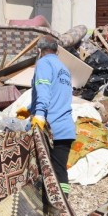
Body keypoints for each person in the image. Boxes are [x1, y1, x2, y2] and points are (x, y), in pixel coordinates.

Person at [16, 36, 75, 194]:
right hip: (66, 127)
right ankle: (64, 207)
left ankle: (42, 207)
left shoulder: (43, 63)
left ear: (39, 51)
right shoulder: (63, 68)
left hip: (50, 129)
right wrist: (30, 109)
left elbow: (44, 89)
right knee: (60, 171)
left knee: (39, 171)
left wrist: (40, 114)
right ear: (57, 51)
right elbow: (55, 95)